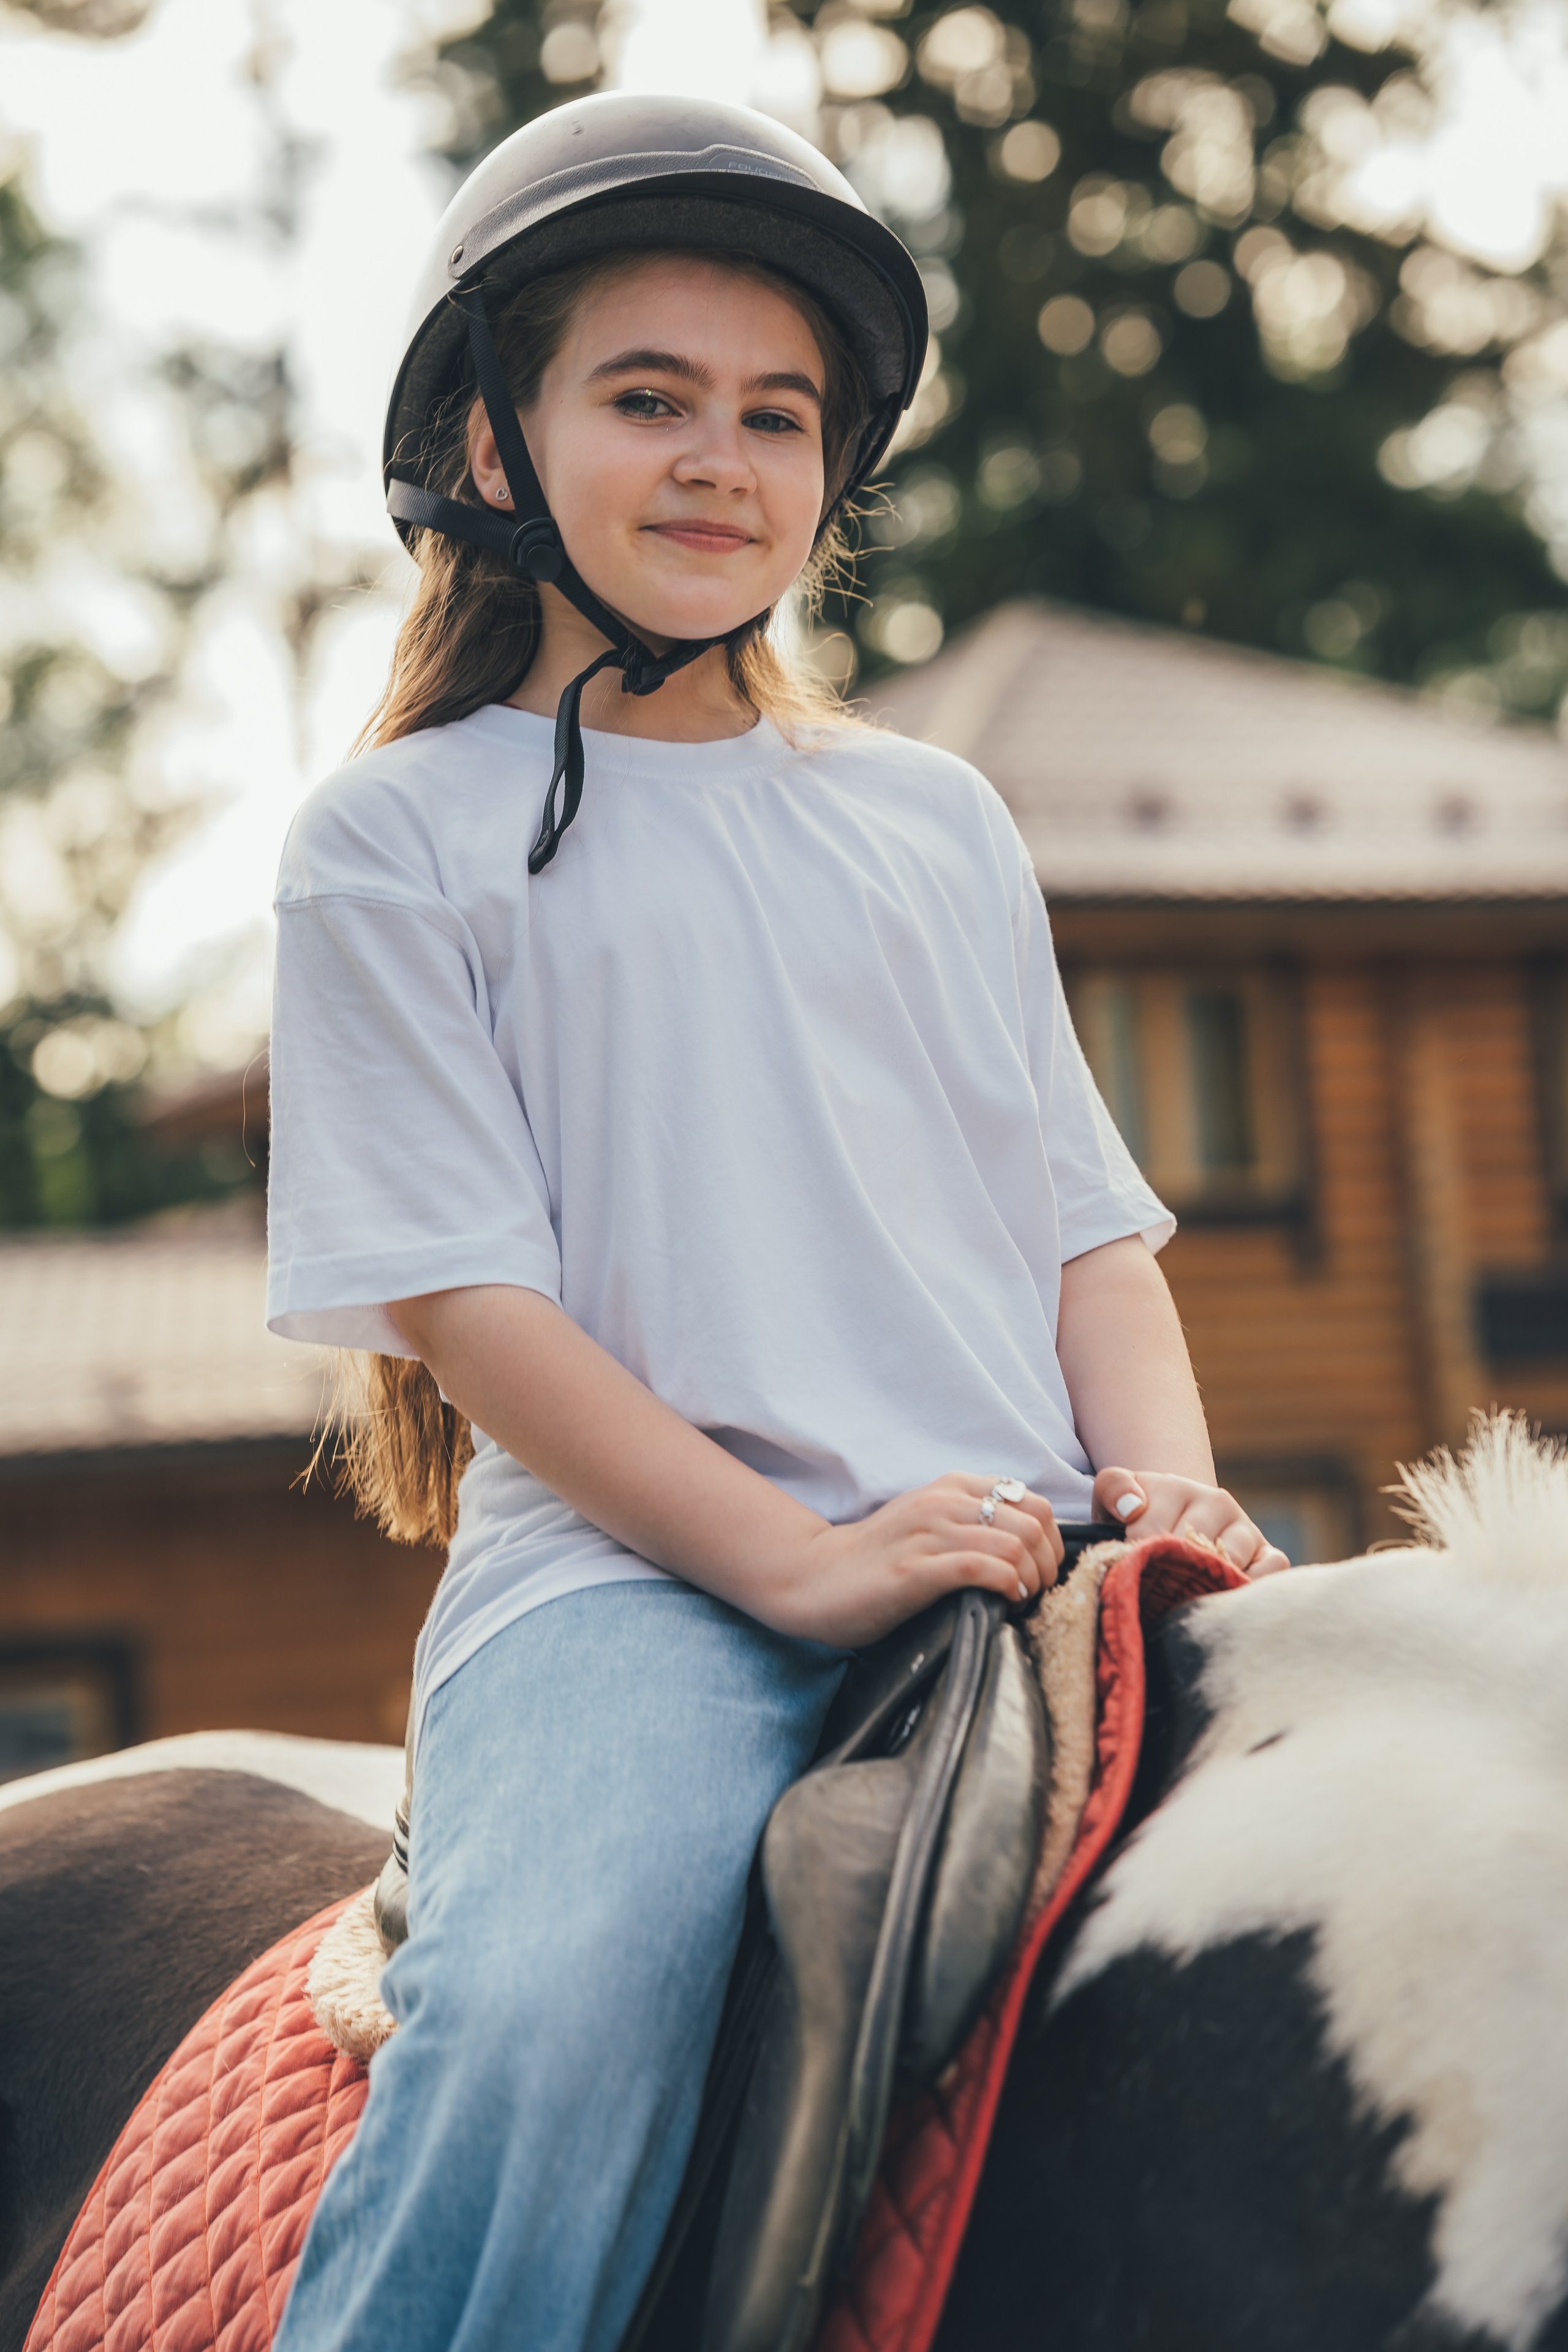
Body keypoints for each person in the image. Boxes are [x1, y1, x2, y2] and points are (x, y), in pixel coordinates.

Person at [266, 91, 1289, 2352]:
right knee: (549, 2018)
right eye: (650, 400)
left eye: (776, 414)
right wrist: (800, 1562)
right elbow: (474, 1306)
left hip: (1037, 1540)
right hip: (645, 1591)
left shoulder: (930, 818)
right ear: (494, 441)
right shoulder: (393, 844)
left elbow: (1080, 1230)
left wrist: (1172, 1484)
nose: (722, 460)